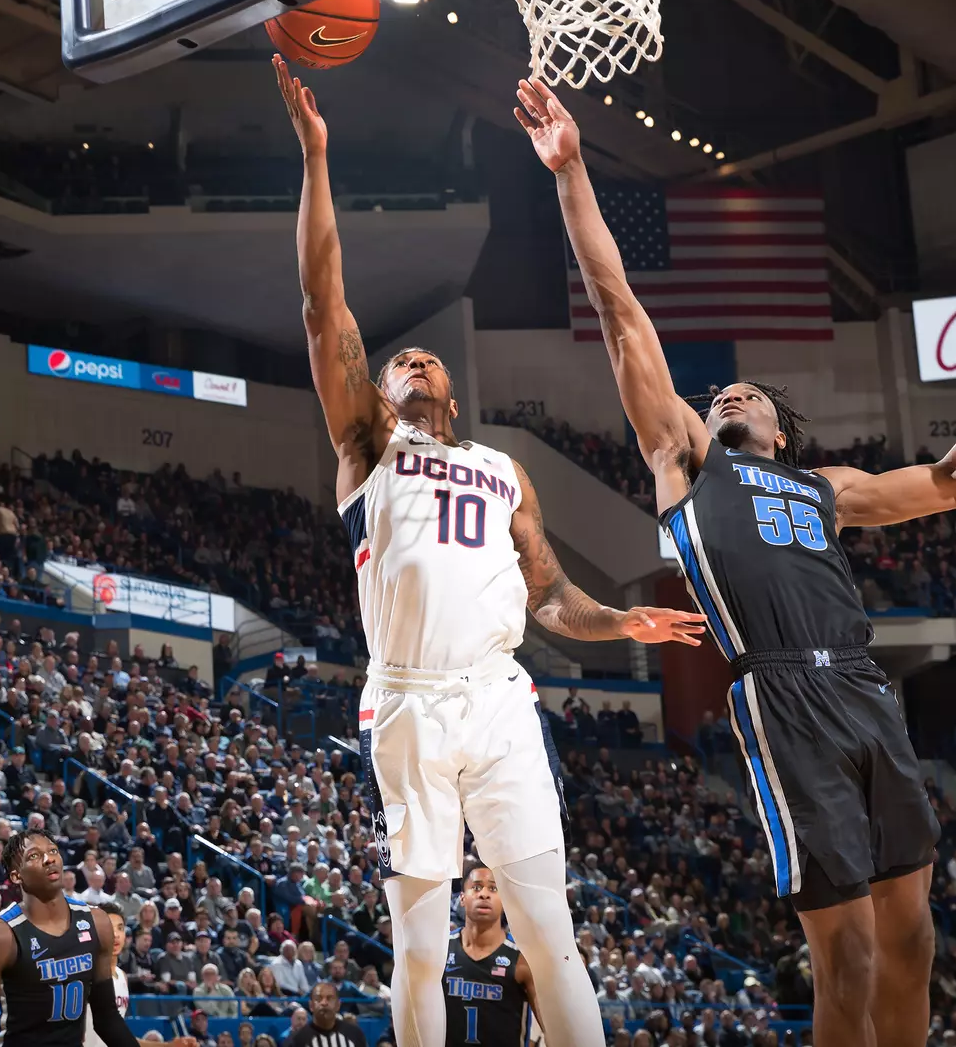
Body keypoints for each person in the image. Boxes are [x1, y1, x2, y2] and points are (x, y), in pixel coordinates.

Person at [515, 76, 956, 1047]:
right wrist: (572, 171)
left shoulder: (828, 486)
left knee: (916, 939)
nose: (726, 392)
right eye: (721, 389)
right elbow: (621, 307)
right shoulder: (684, 457)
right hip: (780, 694)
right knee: (843, 955)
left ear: (780, 426)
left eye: (746, 392)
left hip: (860, 683)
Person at [272, 54, 702, 1047]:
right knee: (419, 944)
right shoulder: (367, 448)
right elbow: (320, 301)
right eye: (395, 362)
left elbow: (551, 597)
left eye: (424, 357)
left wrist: (618, 618)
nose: (411, 359)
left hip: (499, 691)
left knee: (548, 926)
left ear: (451, 393)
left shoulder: (505, 467)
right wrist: (318, 159)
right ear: (379, 396)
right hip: (408, 695)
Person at [0, 831, 146, 1047]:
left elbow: (107, 1017)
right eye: (34, 855)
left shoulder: (97, 922)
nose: (49, 858)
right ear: (16, 875)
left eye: (53, 851)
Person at [443, 868, 538, 1047]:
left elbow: (550, 1026)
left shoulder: (522, 958)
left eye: (493, 889)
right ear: (462, 898)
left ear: (505, 900)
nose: (484, 894)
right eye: (476, 888)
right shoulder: (441, 950)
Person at [84, 905, 129, 1047]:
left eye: (120, 928)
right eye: (110, 927)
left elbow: (120, 1037)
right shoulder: (84, 975)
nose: (115, 934)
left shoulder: (122, 976)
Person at [284, 983, 366, 1047]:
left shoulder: (354, 1034)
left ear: (338, 1005)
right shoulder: (296, 1039)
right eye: (318, 999)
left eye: (329, 998)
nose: (324, 1003)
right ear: (311, 1005)